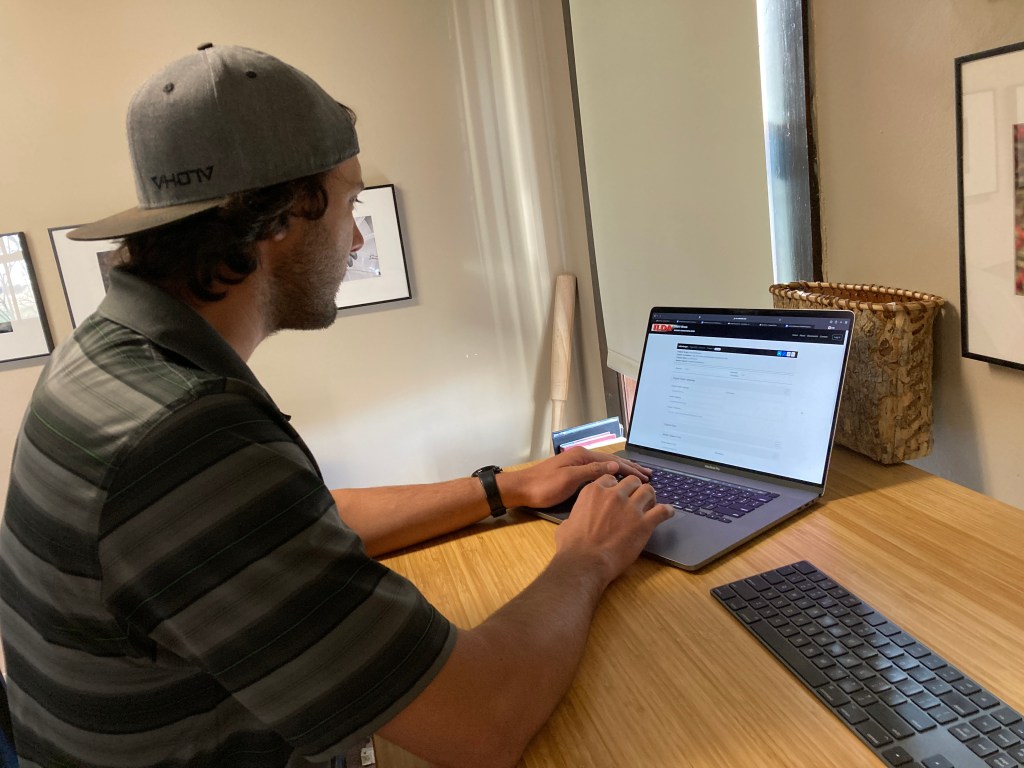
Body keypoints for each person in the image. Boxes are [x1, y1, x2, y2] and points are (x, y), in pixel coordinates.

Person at [0, 44, 673, 768]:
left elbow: (302, 520)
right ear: (282, 217)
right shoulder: (180, 438)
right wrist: (587, 557)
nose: (356, 238)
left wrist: (500, 487)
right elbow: (484, 722)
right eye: (350, 202)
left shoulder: (109, 357)